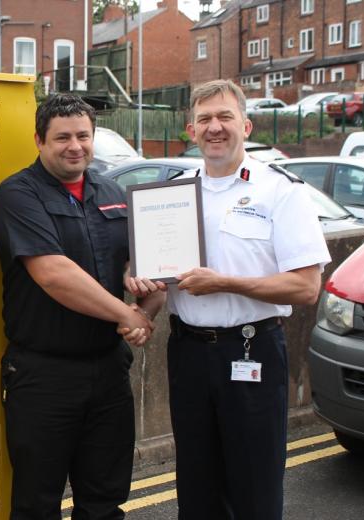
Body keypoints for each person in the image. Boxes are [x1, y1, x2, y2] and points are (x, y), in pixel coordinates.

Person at [128, 80, 331, 520]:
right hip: (187, 354)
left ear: (246, 124)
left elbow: (306, 287)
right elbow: (159, 280)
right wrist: (142, 291)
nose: (215, 127)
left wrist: (227, 283)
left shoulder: (281, 190)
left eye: (224, 117)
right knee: (197, 486)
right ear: (190, 130)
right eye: (204, 119)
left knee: (254, 487)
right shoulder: (171, 194)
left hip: (251, 350)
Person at [0, 93, 165, 520]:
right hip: (44, 377)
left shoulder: (113, 191)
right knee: (36, 504)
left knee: (105, 501)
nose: (75, 146)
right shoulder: (17, 195)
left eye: (83, 136)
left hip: (107, 371)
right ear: (39, 140)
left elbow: (136, 262)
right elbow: (53, 274)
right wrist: (128, 315)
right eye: (62, 137)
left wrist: (146, 290)